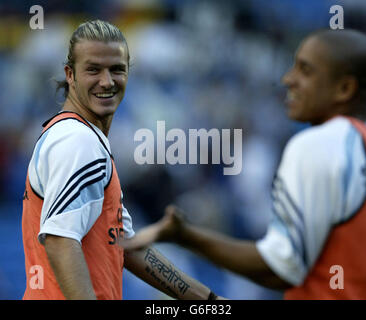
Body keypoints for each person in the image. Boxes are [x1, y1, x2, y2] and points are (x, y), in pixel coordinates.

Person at [120, 29, 366, 299]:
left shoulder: (315, 143)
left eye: (306, 71)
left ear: (345, 88)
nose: (289, 79)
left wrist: (186, 236)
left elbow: (280, 269)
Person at [22, 20, 222, 300]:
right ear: (70, 74)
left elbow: (125, 243)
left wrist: (210, 302)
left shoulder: (82, 138)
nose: (107, 81)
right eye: (93, 69)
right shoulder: (78, 141)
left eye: (117, 69)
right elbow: (60, 241)